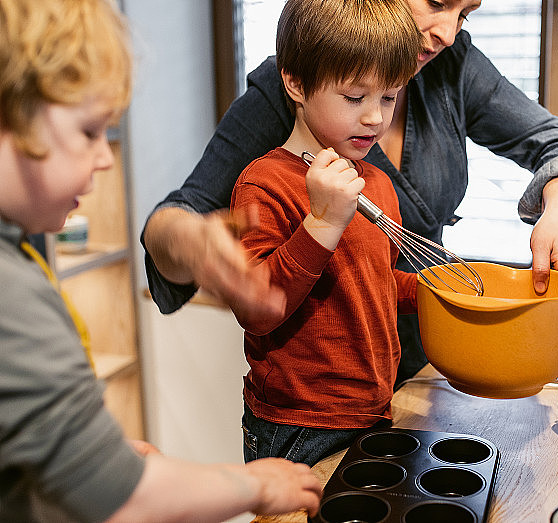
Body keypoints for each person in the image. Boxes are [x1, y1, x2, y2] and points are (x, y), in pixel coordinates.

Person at [142, 0, 558, 384]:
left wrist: (557, 211)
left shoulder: (453, 65)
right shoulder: (297, 80)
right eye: (438, 2)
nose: (448, 32)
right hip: (320, 384)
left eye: (466, 13)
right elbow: (180, 213)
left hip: (415, 363)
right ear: (297, 85)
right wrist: (191, 241)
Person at [0, 0, 321, 521]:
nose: (105, 157)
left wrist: (97, 455)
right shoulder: (11, 297)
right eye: (87, 132)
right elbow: (127, 500)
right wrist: (254, 485)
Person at [231, 0, 421, 467]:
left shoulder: (374, 182)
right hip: (296, 426)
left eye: (389, 97)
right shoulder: (266, 184)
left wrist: (431, 288)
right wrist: (322, 223)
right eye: (355, 98)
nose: (376, 117)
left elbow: (372, 280)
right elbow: (256, 309)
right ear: (295, 82)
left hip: (374, 408)